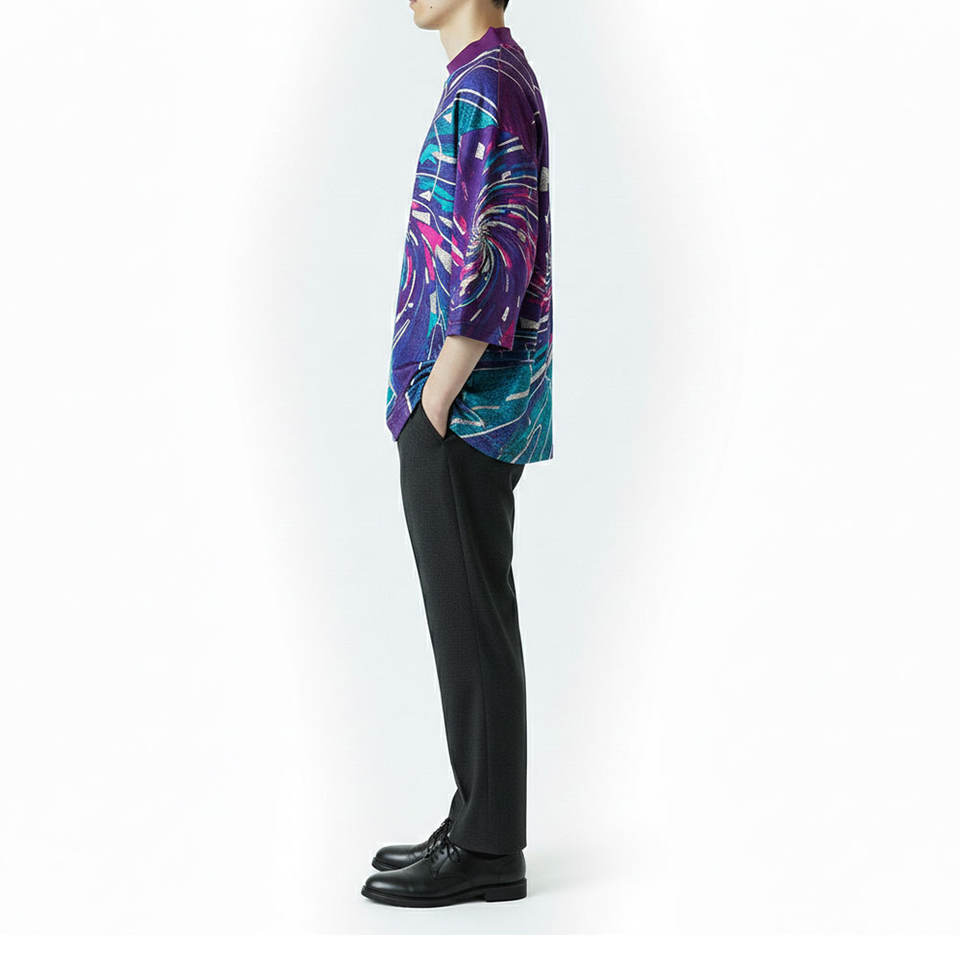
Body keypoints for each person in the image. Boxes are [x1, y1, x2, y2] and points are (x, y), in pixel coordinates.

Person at [363, 0, 553, 908]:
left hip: (463, 411)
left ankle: (486, 850)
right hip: (458, 408)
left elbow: (498, 254)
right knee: (471, 622)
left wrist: (435, 399)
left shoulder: (490, 83)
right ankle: (476, 821)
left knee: (471, 625)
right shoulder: (485, 77)